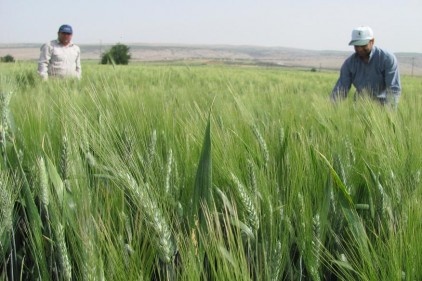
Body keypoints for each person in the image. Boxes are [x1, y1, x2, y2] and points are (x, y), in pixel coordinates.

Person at [330, 26, 401, 107]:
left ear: (372, 41)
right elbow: (340, 91)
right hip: (360, 108)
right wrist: (330, 110)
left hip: (384, 107)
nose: (359, 49)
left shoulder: (387, 59)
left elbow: (393, 89)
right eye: (356, 45)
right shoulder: (349, 64)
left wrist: (389, 115)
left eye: (363, 45)